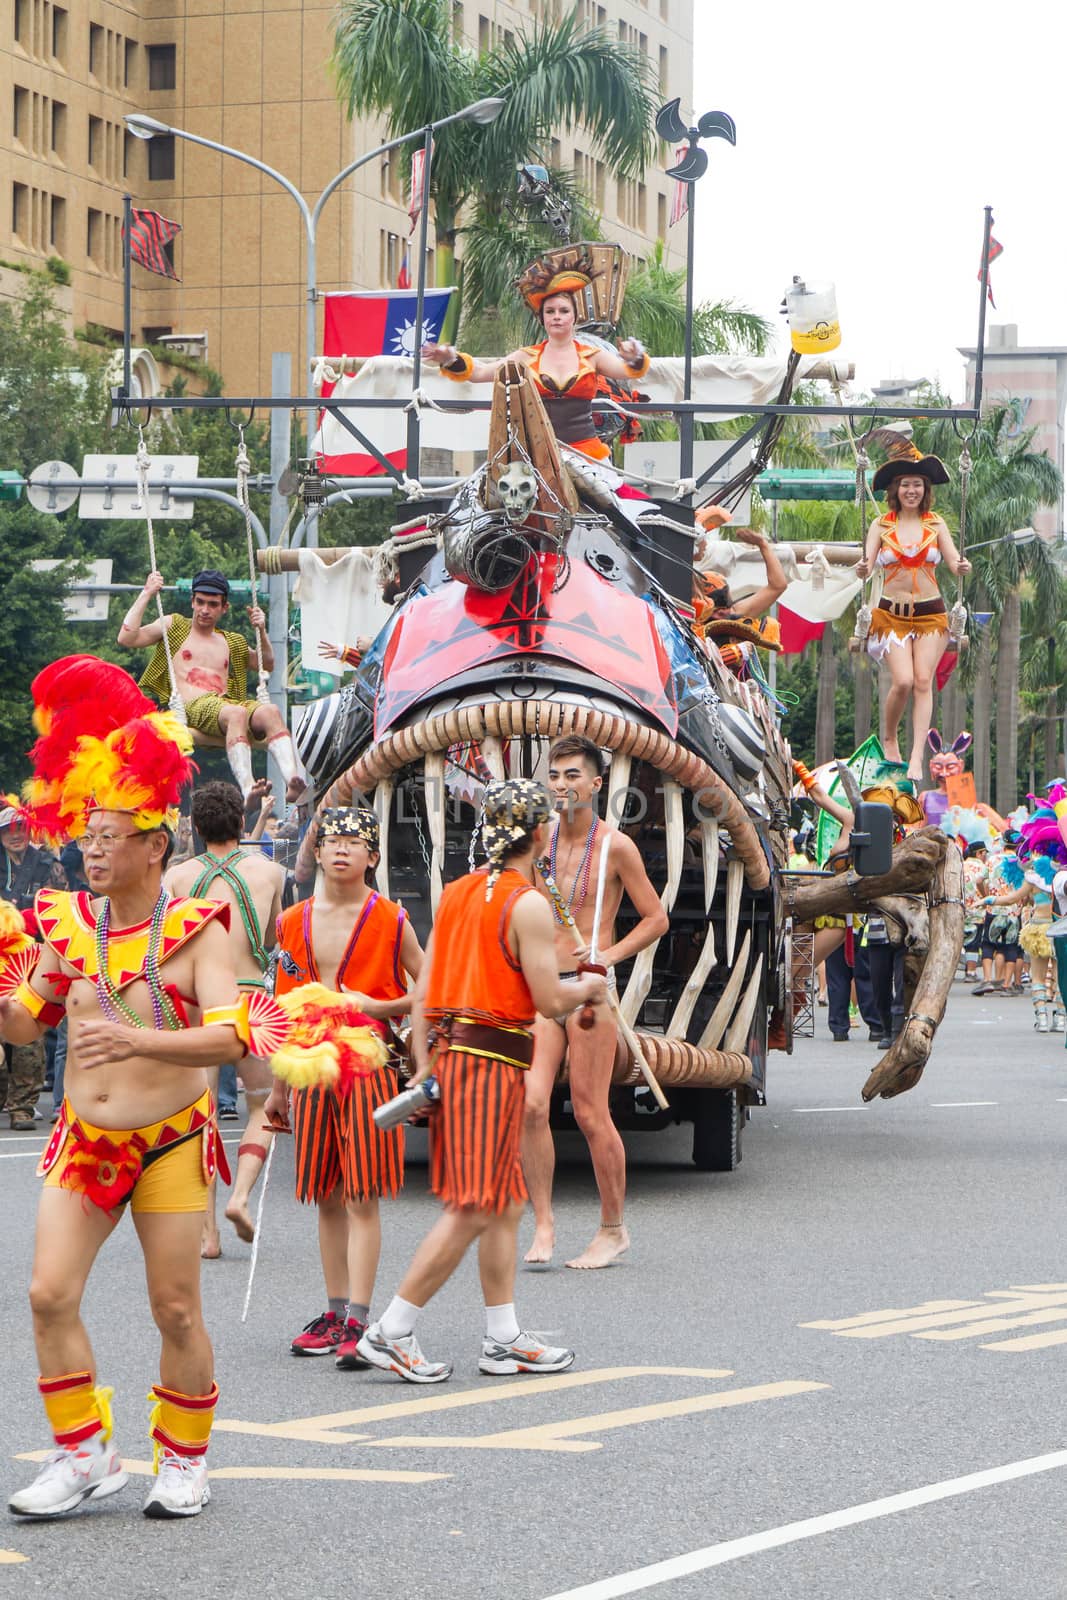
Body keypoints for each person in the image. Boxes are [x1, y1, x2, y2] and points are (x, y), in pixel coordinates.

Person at [2, 658, 252, 1521]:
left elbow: (232, 1033)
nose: (93, 847)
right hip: (82, 1139)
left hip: (170, 1143)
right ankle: (82, 1456)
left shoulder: (195, 932)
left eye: (113, 834)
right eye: (88, 833)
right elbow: (25, 1024)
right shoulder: (65, 924)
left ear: (157, 844)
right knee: (46, 1294)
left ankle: (183, 1460)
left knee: (175, 1308)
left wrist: (140, 1036)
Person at [356, 779, 606, 1384]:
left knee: (505, 1205)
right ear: (539, 832)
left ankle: (503, 1337)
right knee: (474, 1206)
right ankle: (391, 1329)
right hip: (493, 1064)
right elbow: (549, 1000)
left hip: (455, 1060)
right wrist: (590, 988)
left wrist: (421, 1064)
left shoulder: (458, 894)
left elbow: (422, 994)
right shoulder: (528, 903)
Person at [262, 806, 423, 1370]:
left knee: (361, 1195)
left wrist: (377, 1004)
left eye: (354, 842)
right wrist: (278, 1090)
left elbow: (428, 989)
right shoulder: (291, 919)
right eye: (331, 840)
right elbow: (283, 1008)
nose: (340, 849)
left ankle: (359, 1317)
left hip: (368, 1061)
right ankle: (334, 1314)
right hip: (308, 1063)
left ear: (372, 857)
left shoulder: (391, 918)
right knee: (324, 1194)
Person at [523, 735, 668, 1268]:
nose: (562, 785)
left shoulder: (616, 846)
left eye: (572, 776)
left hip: (587, 991)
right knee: (532, 1104)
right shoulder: (535, 840)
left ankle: (612, 1229)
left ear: (596, 783)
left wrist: (607, 956)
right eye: (555, 776)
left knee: (589, 1112)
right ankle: (542, 1224)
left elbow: (656, 919)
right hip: (542, 990)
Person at [164, 780, 286, 1255]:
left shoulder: (176, 879)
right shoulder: (270, 873)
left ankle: (208, 1232)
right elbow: (274, 938)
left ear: (195, 826)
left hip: (198, 1006)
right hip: (251, 1002)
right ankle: (240, 1197)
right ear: (241, 822)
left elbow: (167, 947)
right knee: (265, 1108)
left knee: (202, 1116)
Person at [421, 250, 650, 464]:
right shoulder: (527, 356)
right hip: (537, 456)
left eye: (563, 311)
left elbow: (627, 370)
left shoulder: (592, 356)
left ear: (574, 317)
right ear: (542, 318)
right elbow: (480, 373)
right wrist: (450, 359)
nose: (557, 317)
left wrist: (635, 357)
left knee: (610, 502)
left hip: (587, 454)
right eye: (550, 312)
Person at [117, 568, 305, 804]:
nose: (205, 610)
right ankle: (248, 788)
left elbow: (266, 664)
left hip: (224, 705)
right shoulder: (175, 626)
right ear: (193, 602)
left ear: (224, 607)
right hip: (191, 707)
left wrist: (262, 631)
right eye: (200, 602)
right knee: (236, 713)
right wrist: (146, 593)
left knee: (271, 712)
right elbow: (127, 638)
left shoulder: (231, 641)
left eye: (213, 604)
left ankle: (293, 781)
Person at [854, 438, 971, 782]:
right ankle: (890, 737)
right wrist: (863, 568)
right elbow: (868, 562)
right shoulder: (881, 525)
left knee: (923, 681)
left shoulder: (935, 524)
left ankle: (918, 755)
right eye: (906, 484)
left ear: (925, 490)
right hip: (890, 614)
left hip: (931, 614)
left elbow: (953, 562)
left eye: (917, 485)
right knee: (902, 680)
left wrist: (961, 566)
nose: (911, 490)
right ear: (895, 489)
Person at [1, 801, 56, 1129]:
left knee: (29, 1031)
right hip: (0, 954)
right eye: (8, 829)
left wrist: (34, 921)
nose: (15, 835)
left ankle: (23, 1106)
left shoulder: (47, 863)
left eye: (20, 828)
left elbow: (59, 906)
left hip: (32, 958)